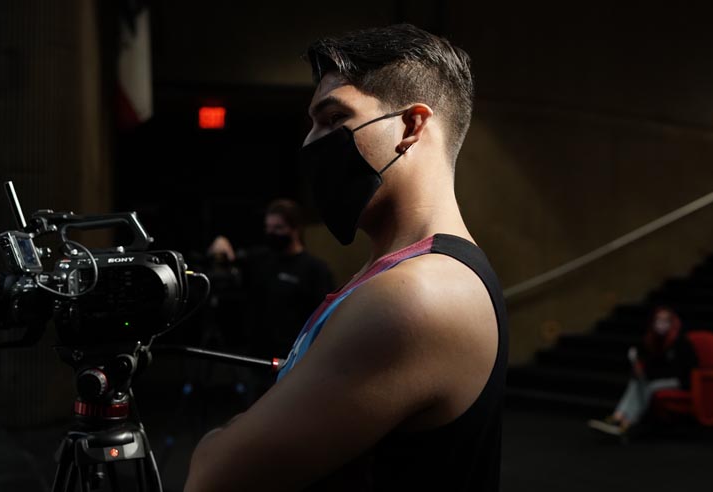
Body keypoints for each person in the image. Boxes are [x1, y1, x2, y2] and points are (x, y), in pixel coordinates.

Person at [185, 23, 508, 491]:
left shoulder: (420, 294)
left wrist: (216, 441)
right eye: (312, 123)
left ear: (412, 125)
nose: (310, 142)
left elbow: (215, 476)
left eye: (334, 118)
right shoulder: (395, 273)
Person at [207, 198, 334, 360]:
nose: (272, 233)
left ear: (295, 229)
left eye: (278, 228)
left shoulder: (315, 270)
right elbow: (230, 257)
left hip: (294, 359)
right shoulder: (259, 260)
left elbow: (323, 321)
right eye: (268, 228)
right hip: (257, 357)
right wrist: (222, 242)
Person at [587, 306, 698, 437]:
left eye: (665, 320)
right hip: (657, 378)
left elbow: (681, 370)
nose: (661, 324)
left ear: (672, 322)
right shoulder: (653, 340)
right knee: (636, 382)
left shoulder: (681, 342)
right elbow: (653, 365)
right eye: (658, 320)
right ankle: (617, 417)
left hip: (679, 380)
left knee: (649, 386)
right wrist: (640, 369)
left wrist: (652, 375)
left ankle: (628, 423)